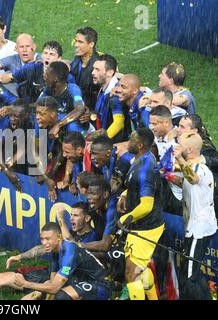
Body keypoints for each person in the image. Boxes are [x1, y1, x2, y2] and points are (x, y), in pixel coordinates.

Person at [0, 212, 111, 300]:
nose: (44, 243)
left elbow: (54, 289)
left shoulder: (70, 251)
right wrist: (36, 287)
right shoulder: (54, 250)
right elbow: (51, 283)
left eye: (47, 239)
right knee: (7, 276)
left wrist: (28, 284)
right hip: (72, 279)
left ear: (59, 237)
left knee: (58, 295)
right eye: (42, 239)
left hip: (97, 285)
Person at [117, 128, 165, 300]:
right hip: (140, 225)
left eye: (131, 139)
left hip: (146, 227)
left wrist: (126, 218)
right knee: (140, 268)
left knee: (131, 273)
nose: (127, 141)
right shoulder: (140, 159)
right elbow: (134, 186)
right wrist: (125, 194)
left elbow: (146, 205)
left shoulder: (145, 169)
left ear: (139, 145)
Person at [173, 132, 217, 300]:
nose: (177, 148)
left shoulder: (202, 169)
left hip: (199, 228)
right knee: (191, 270)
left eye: (180, 146)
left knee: (190, 275)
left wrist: (179, 159)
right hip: (193, 226)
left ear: (189, 150)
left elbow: (193, 179)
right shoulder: (191, 165)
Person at [92, 54, 130, 143]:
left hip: (115, 143)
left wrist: (102, 141)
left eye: (97, 70)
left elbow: (119, 123)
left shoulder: (116, 95)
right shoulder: (103, 88)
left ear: (110, 73)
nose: (93, 72)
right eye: (94, 68)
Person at [70, 27, 101, 111]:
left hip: (88, 109)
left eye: (80, 42)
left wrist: (91, 112)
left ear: (91, 44)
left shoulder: (98, 66)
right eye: (76, 41)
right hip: (75, 102)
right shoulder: (77, 58)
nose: (76, 45)